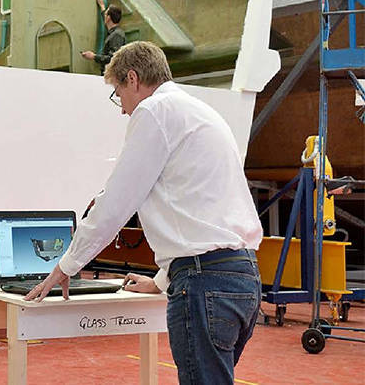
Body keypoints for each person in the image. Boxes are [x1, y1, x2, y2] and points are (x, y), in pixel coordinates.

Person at [24, 41, 263, 385]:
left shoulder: (154, 111)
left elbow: (115, 204)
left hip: (204, 285)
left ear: (133, 79)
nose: (121, 109)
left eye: (118, 94)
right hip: (242, 279)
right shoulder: (200, 112)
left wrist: (66, 266)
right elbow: (198, 212)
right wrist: (161, 281)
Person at [81, 0, 126, 72]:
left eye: (106, 14)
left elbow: (113, 59)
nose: (104, 15)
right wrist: (102, 6)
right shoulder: (114, 32)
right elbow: (106, 21)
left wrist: (94, 56)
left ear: (108, 18)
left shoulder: (117, 35)